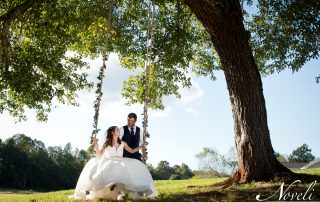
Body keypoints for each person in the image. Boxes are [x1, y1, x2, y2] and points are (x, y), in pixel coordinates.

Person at [68, 126, 157, 200]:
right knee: (110, 168)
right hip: (109, 161)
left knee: (128, 168)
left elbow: (132, 151)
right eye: (117, 129)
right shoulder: (106, 143)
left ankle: (120, 194)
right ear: (113, 132)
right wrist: (96, 146)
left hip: (121, 161)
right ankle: (116, 194)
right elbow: (99, 156)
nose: (119, 130)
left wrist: (140, 147)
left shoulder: (123, 143)